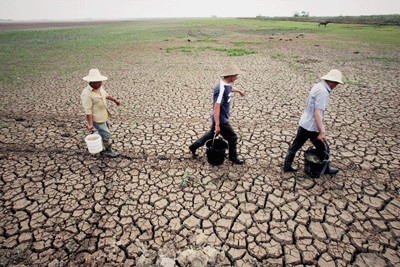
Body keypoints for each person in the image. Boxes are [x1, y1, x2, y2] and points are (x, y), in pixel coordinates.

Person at [283, 69, 344, 174]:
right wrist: (321, 132)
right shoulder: (323, 92)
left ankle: (287, 166)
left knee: (295, 146)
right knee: (325, 150)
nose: (336, 86)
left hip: (305, 123)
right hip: (312, 126)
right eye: (336, 84)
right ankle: (326, 169)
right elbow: (317, 113)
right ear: (332, 82)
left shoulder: (318, 86)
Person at [188, 62, 246, 165]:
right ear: (231, 75)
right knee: (233, 137)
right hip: (221, 119)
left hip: (220, 118)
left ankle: (192, 147)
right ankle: (233, 158)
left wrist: (239, 91)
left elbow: (229, 89)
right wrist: (218, 124)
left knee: (211, 135)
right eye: (236, 75)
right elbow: (216, 107)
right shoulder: (220, 89)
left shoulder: (226, 85)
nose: (237, 77)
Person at [81, 69, 121, 157]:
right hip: (97, 119)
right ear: (91, 82)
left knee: (103, 132)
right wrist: (90, 124)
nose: (100, 84)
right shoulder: (86, 94)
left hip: (104, 115)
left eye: (100, 82)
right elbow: (88, 111)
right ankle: (108, 151)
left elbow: (105, 95)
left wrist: (115, 100)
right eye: (97, 82)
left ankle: (99, 140)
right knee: (106, 134)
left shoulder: (99, 88)